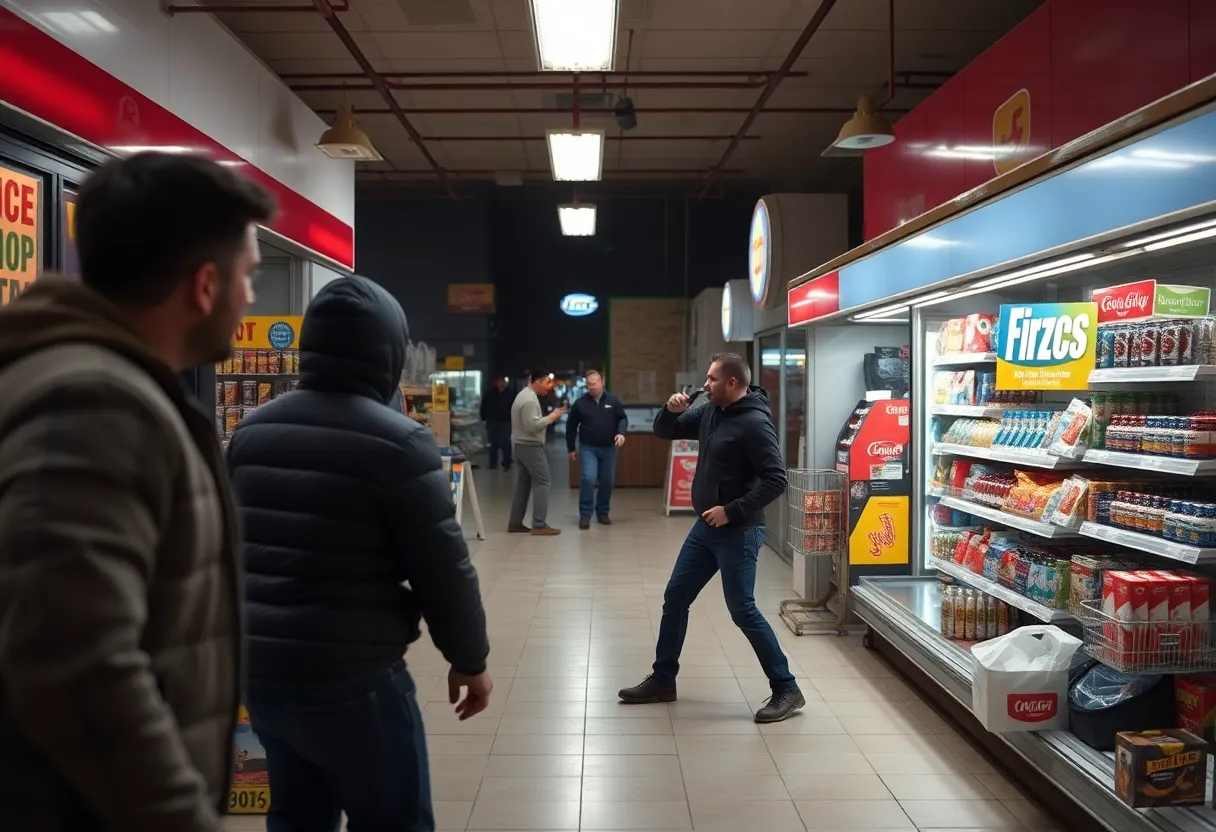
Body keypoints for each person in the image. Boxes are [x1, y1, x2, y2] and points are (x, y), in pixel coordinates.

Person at [0, 152, 273, 830]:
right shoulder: (96, 404)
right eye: (250, 276)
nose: (251, 299)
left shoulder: (90, 382)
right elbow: (72, 653)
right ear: (205, 284)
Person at [225, 276, 492, 831]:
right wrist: (469, 661)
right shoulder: (400, 443)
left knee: (297, 818)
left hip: (264, 675)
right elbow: (443, 570)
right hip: (354, 680)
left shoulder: (249, 434)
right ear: (389, 351)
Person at [618, 353, 804, 723]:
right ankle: (663, 680)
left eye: (712, 379)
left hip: (739, 530)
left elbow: (777, 479)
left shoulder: (754, 423)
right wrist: (669, 411)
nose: (705, 385)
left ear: (733, 383)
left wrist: (731, 510)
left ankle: (787, 688)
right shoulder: (710, 412)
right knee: (676, 596)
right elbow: (665, 431)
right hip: (706, 527)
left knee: (742, 610)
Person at [566, 369, 627, 528]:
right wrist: (571, 448)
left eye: (594, 383)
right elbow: (571, 426)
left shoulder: (613, 401)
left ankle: (602, 513)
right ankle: (585, 514)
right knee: (588, 477)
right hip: (588, 448)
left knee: (607, 481)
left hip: (609, 448)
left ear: (602, 382)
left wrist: (621, 433)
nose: (592, 387)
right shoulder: (580, 404)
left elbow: (622, 418)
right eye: (589, 384)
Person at [509, 369, 566, 535]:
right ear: (537, 381)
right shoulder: (529, 400)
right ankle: (539, 524)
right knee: (543, 482)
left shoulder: (524, 395)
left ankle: (515, 521)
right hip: (530, 446)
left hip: (520, 444)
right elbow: (531, 426)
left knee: (523, 484)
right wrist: (551, 418)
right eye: (546, 382)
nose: (548, 387)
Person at [480, 374, 516, 470]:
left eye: (503, 381)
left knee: (506, 442)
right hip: (493, 421)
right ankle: (493, 463)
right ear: (496, 382)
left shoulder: (510, 394)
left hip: (506, 421)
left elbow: (515, 407)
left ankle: (507, 461)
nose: (502, 383)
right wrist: (483, 418)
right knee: (493, 443)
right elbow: (484, 406)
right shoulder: (490, 393)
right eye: (500, 381)